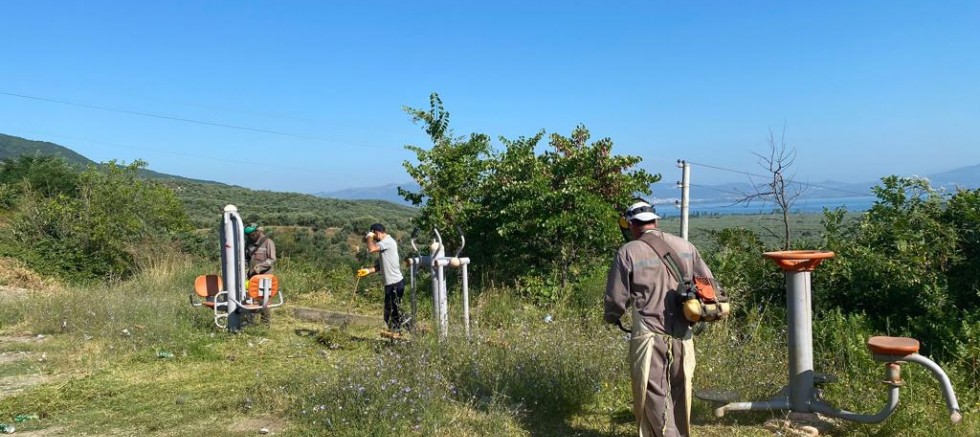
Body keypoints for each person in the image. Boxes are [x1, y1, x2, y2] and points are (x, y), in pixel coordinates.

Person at [604, 201, 717, 437]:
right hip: (684, 334)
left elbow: (616, 299)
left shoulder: (628, 251)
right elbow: (709, 286)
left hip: (650, 333)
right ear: (655, 221)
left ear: (633, 225)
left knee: (654, 392)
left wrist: (612, 317)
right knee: (679, 389)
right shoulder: (685, 246)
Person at [357, 223, 406, 332]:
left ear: (377, 233)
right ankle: (396, 333)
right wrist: (368, 271)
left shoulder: (388, 242)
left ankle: (407, 330)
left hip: (395, 283)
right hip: (391, 284)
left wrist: (369, 236)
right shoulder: (386, 243)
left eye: (374, 237)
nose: (374, 239)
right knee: (390, 312)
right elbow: (382, 265)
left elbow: (371, 249)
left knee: (394, 312)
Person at [244, 223, 276, 324]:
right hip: (252, 276)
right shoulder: (249, 242)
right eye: (248, 236)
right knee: (251, 299)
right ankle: (250, 321)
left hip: (265, 278)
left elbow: (272, 259)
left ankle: (265, 324)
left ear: (258, 232)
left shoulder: (268, 242)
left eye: (252, 235)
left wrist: (261, 266)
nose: (250, 237)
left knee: (264, 301)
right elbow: (246, 257)